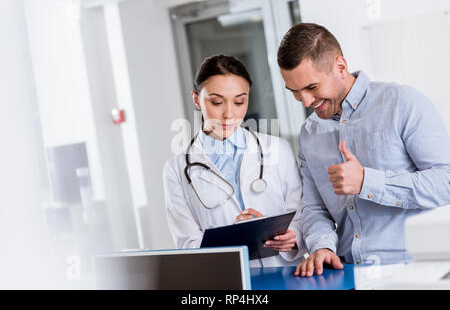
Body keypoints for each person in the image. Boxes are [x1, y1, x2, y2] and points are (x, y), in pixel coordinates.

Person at [276, 23, 450, 276]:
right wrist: (321, 245)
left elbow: (446, 181)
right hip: (348, 273)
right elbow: (315, 208)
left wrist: (368, 182)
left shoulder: (402, 103)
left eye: (312, 87)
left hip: (416, 272)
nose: (305, 101)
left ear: (341, 67)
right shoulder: (309, 133)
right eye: (295, 91)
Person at [163, 54, 304, 267]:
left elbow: (302, 215)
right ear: (196, 99)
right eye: (217, 102)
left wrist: (293, 237)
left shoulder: (277, 150)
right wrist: (235, 237)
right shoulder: (176, 170)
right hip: (228, 281)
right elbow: (187, 244)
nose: (229, 114)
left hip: (286, 276)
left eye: (239, 101)